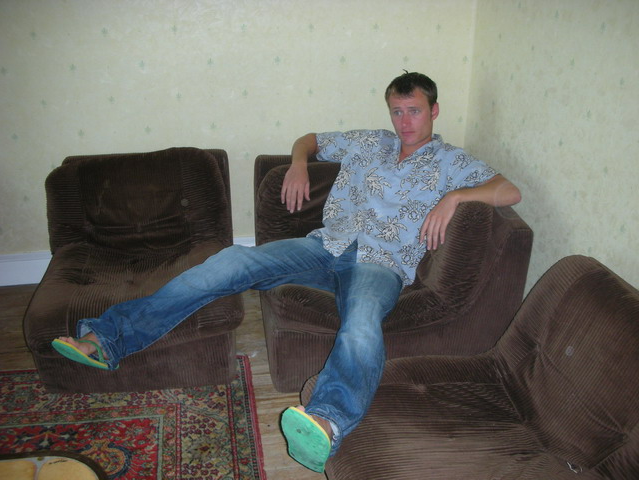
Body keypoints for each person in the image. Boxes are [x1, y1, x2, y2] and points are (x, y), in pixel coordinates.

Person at [52, 72, 521, 473]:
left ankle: (328, 421)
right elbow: (310, 140)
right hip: (324, 247)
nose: (404, 122)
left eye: (414, 111)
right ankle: (109, 339)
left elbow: (509, 190)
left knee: (361, 323)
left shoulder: (451, 161)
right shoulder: (370, 142)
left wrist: (456, 196)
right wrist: (298, 163)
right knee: (233, 261)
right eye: (397, 111)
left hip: (381, 265)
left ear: (434, 111)